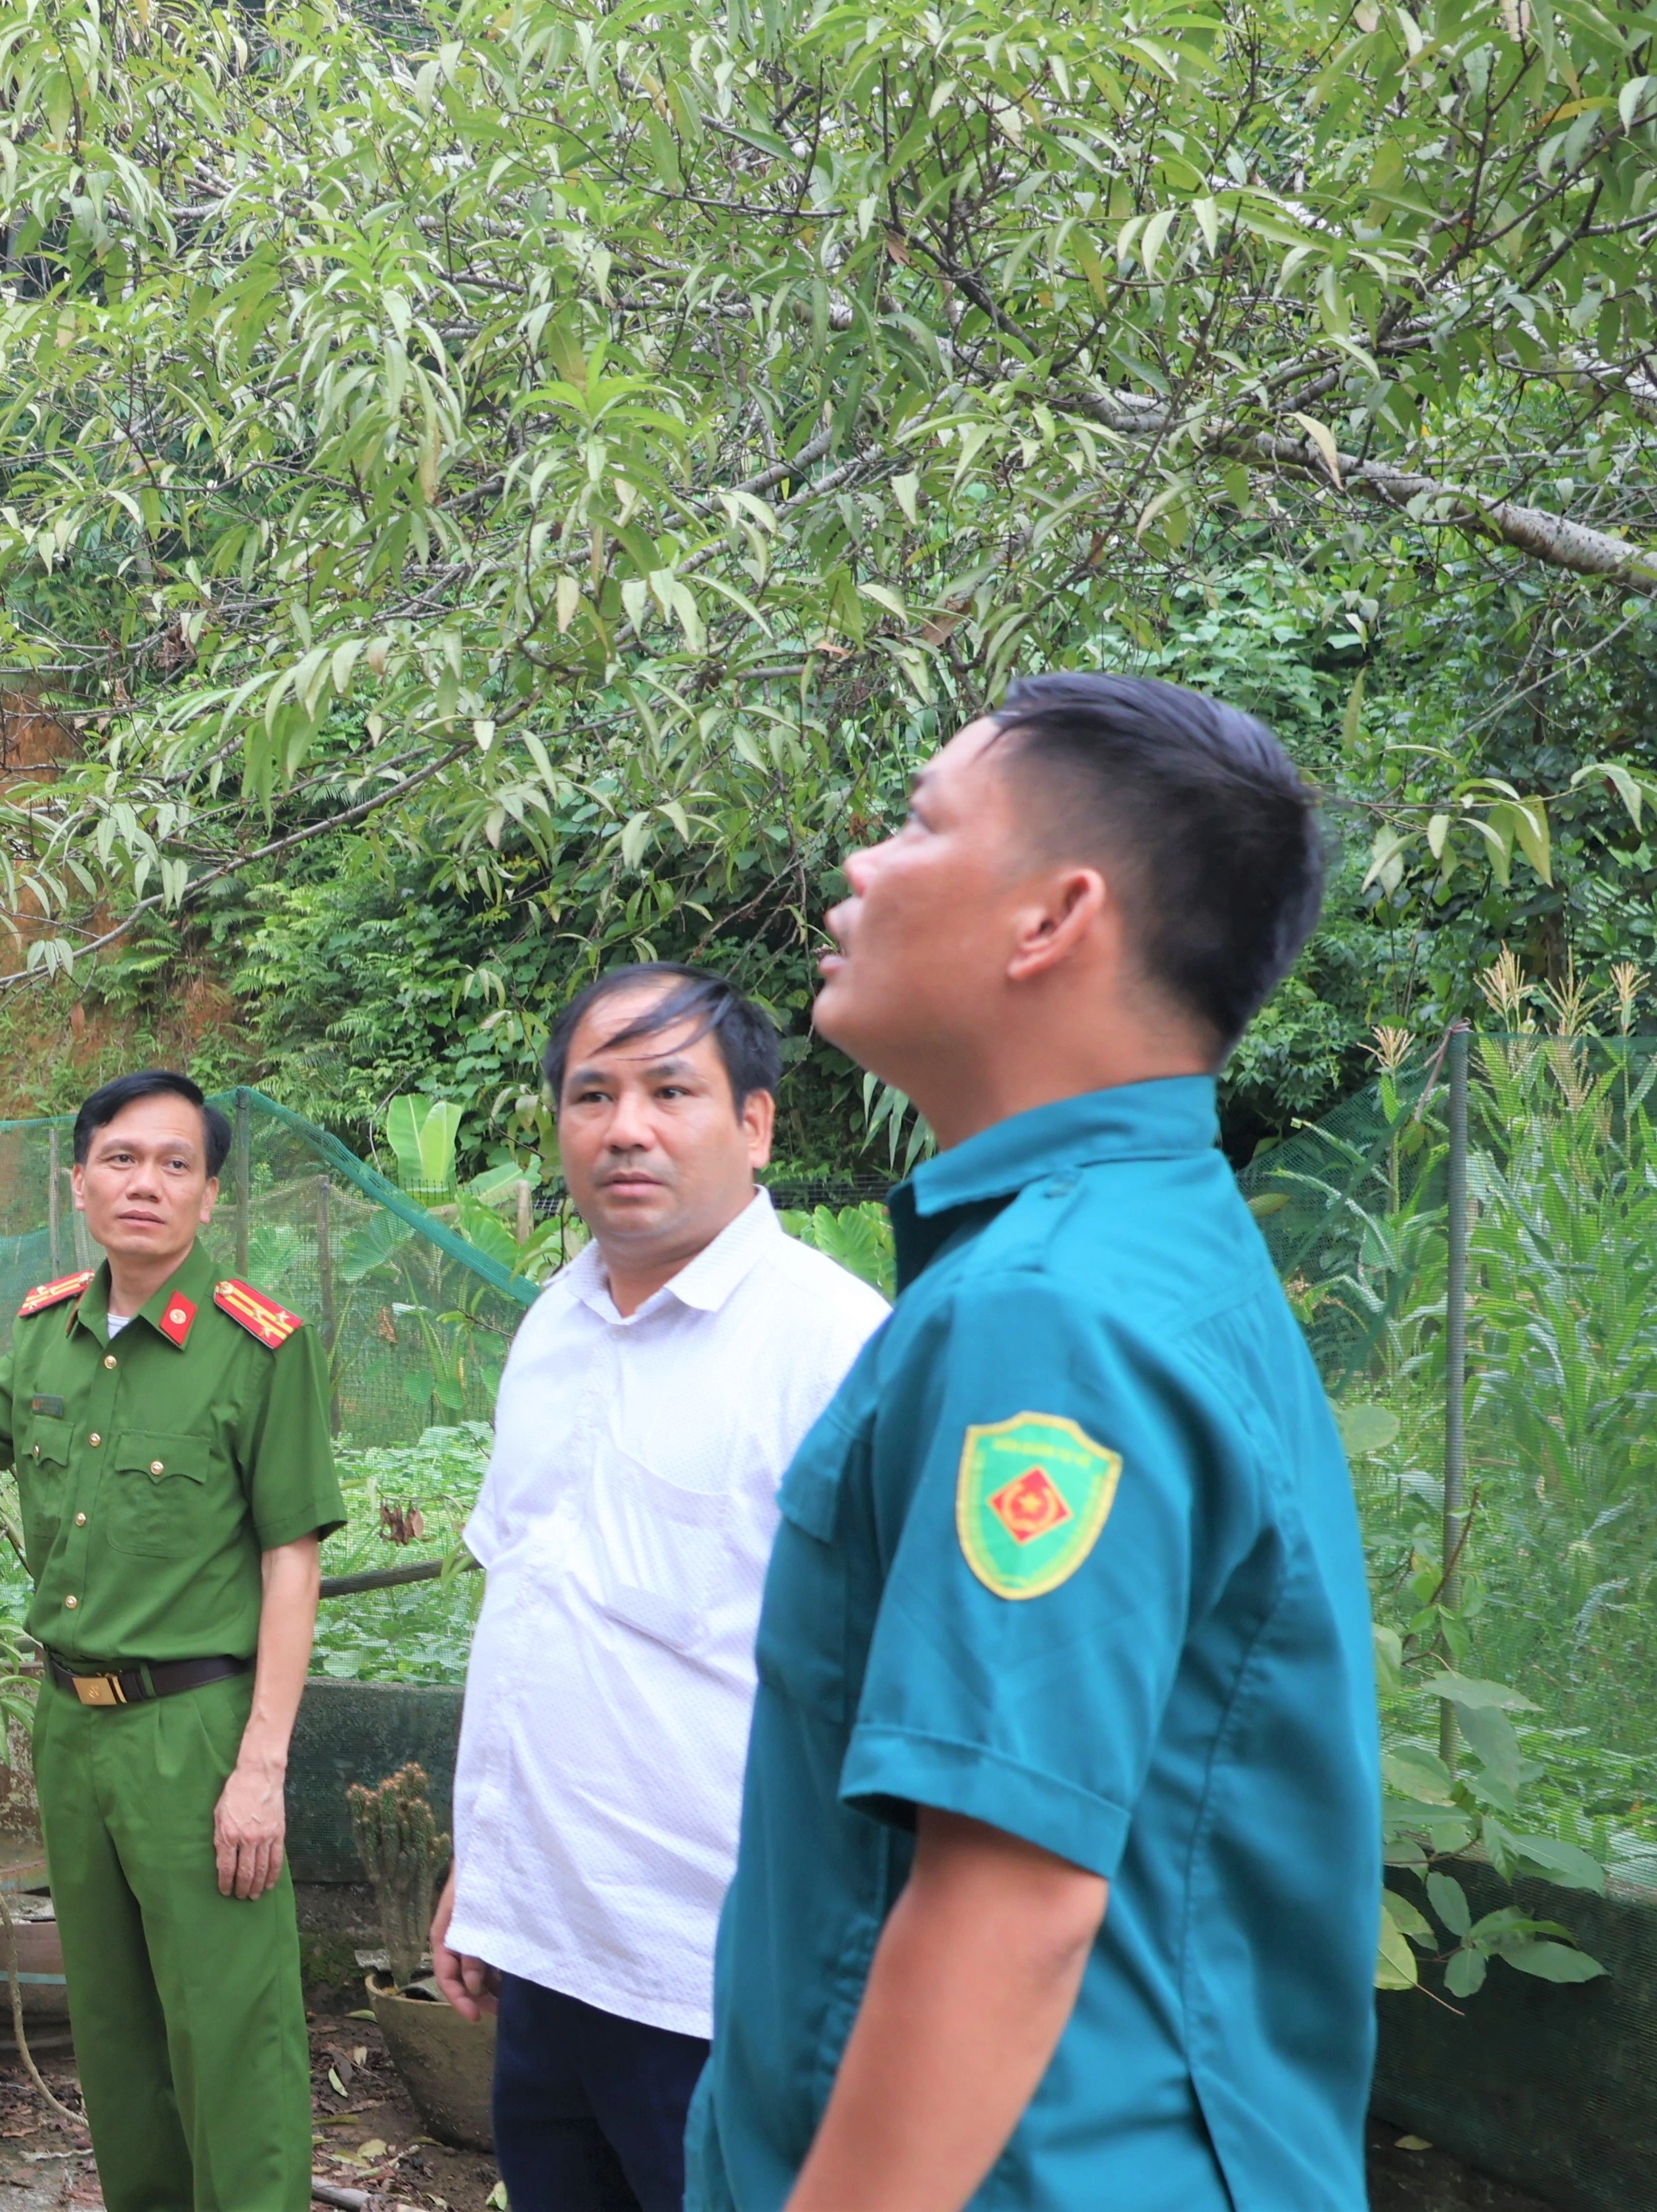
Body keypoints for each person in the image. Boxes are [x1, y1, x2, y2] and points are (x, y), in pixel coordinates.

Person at [689, 673, 1379, 2211]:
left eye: (922, 825)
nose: (862, 868)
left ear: (1051, 918)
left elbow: (1013, 1901)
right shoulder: (1158, 1250)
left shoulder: (1051, 1314)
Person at [0, 1070, 343, 2212]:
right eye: (120, 1159)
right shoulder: (48, 1336)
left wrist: (262, 1767)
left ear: (209, 1192)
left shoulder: (259, 1349)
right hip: (76, 1729)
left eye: (173, 1164)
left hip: (197, 1732)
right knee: (113, 2030)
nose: (144, 1183)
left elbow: (291, 1559)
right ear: (79, 1182)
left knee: (232, 2028)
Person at [428, 965, 887, 2211]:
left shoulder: (833, 1348)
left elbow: (891, 1684)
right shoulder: (553, 1329)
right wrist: (487, 1867)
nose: (625, 1127)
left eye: (669, 1089)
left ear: (754, 1122)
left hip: (722, 1982)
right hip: (546, 1962)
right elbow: (531, 1618)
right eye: (592, 1095)